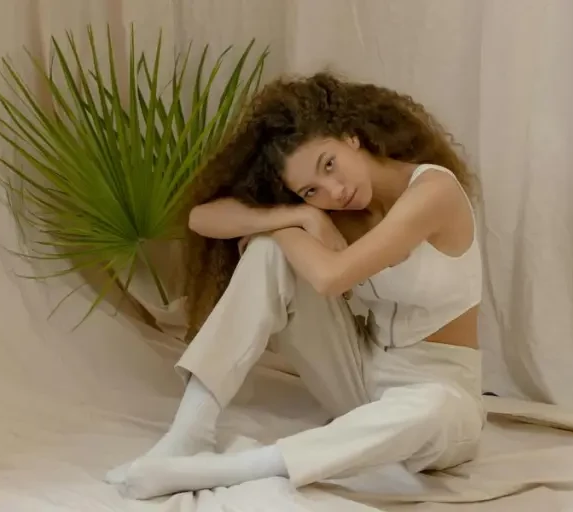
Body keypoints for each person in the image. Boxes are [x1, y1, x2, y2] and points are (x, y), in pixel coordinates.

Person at [105, 71, 485, 499]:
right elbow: (202, 218)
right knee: (269, 251)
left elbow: (330, 277)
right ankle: (189, 434)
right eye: (311, 189)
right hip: (361, 376)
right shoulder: (327, 206)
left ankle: (224, 471)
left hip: (441, 398)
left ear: (350, 136)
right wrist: (293, 217)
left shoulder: (433, 191)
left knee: (431, 408)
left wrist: (290, 226)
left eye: (329, 164)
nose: (334, 190)